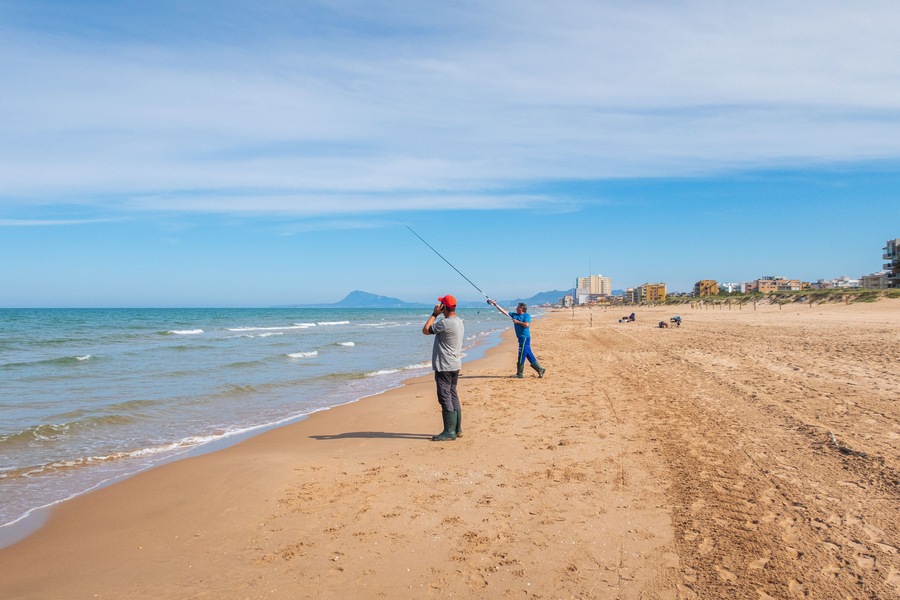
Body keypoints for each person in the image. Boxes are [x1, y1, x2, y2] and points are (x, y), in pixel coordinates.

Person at [422, 294, 464, 441]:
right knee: (453, 394)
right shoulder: (459, 321)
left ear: (444, 307)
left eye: (441, 305)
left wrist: (434, 314)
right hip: (454, 364)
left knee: (445, 396)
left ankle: (449, 431)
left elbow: (425, 330)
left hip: (444, 366)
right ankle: (457, 429)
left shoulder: (445, 323)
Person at [487, 299, 546, 379]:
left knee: (521, 355)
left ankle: (519, 374)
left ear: (521, 308)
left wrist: (517, 322)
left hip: (525, 338)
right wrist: (495, 305)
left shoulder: (526, 315)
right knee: (528, 354)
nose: (516, 308)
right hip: (521, 338)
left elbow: (526, 325)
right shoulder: (514, 315)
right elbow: (504, 312)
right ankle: (540, 369)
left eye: (517, 307)